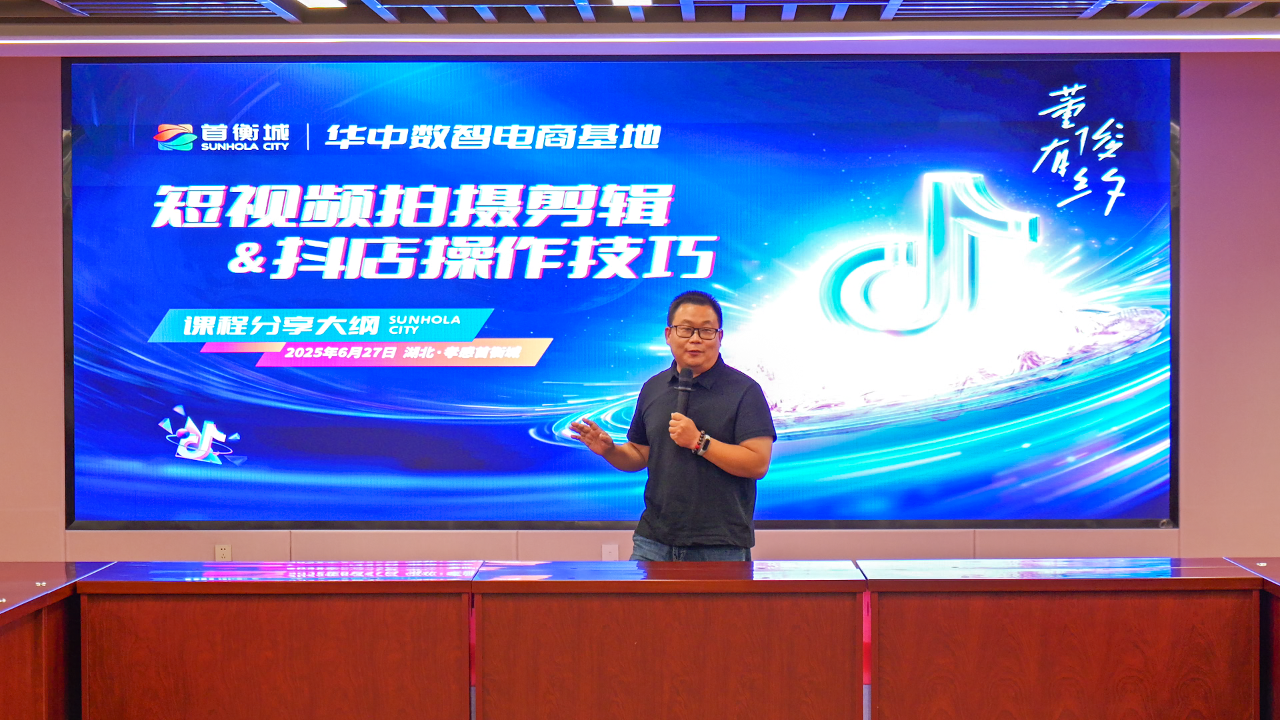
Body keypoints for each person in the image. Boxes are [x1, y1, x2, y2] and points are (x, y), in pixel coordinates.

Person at [570, 290, 776, 561]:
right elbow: (639, 454)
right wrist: (610, 450)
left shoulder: (745, 391)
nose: (695, 339)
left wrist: (699, 442)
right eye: (686, 329)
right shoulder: (653, 388)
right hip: (653, 541)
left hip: (719, 545)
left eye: (706, 331)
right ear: (668, 335)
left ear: (720, 337)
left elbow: (757, 463)